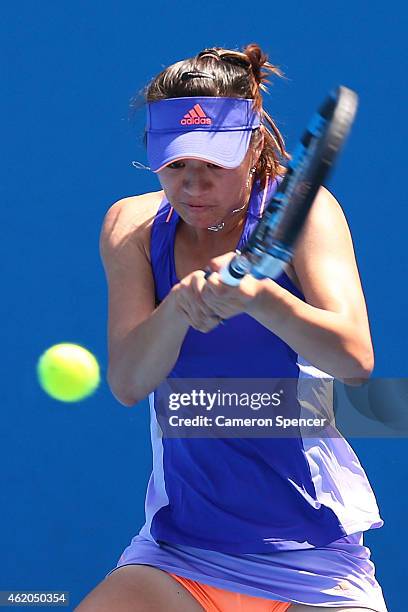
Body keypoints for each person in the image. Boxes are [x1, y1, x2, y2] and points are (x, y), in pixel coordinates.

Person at [75, 44, 388, 611]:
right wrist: (176, 310)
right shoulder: (133, 227)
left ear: (253, 148)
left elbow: (355, 360)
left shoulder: (310, 214)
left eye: (212, 166)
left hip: (314, 557)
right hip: (177, 556)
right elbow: (127, 380)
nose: (192, 188)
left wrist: (264, 300)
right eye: (175, 165)